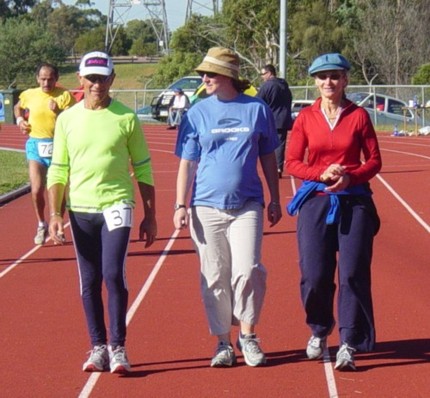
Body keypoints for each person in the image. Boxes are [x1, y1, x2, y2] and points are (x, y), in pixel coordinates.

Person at [47, 51, 157, 374]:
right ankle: (98, 347)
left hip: (117, 204)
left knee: (112, 273)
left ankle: (118, 346)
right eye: (91, 78)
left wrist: (150, 215)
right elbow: (58, 169)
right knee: (90, 279)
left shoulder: (126, 118)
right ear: (80, 80)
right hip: (80, 209)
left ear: (112, 80)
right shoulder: (67, 120)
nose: (97, 84)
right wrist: (55, 214)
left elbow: (143, 167)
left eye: (103, 78)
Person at [173, 47, 282, 368]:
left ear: (229, 76)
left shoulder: (256, 109)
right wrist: (180, 204)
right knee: (215, 275)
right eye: (203, 73)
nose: (205, 78)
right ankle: (222, 341)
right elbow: (187, 162)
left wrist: (275, 199)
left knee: (248, 269)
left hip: (247, 203)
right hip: (205, 206)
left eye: (212, 73)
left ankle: (248, 335)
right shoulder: (196, 113)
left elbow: (267, 158)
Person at [286, 53, 382, 371]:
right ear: (315, 81)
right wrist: (321, 174)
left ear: (345, 80)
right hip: (316, 201)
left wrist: (350, 176)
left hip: (354, 201)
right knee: (314, 274)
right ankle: (318, 328)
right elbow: (292, 163)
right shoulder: (305, 118)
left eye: (335, 76)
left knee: (353, 273)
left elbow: (374, 160)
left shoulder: (358, 116)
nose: (329, 82)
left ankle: (349, 341)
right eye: (322, 76)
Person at [14, 63, 75, 245]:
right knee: (36, 189)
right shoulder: (29, 95)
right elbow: (18, 107)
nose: (46, 82)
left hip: (59, 146)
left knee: (59, 191)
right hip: (36, 145)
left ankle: (58, 225)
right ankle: (41, 223)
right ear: (37, 78)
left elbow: (74, 119)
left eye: (50, 79)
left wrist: (59, 112)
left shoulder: (64, 96)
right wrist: (19, 121)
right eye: (42, 78)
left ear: (56, 79)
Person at [257, 64, 293, 179]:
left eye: (263, 74)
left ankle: (270, 169)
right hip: (283, 119)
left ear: (269, 73)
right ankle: (278, 167)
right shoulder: (284, 85)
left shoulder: (267, 86)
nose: (262, 77)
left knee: (266, 144)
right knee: (280, 145)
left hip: (270, 119)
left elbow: (257, 101)